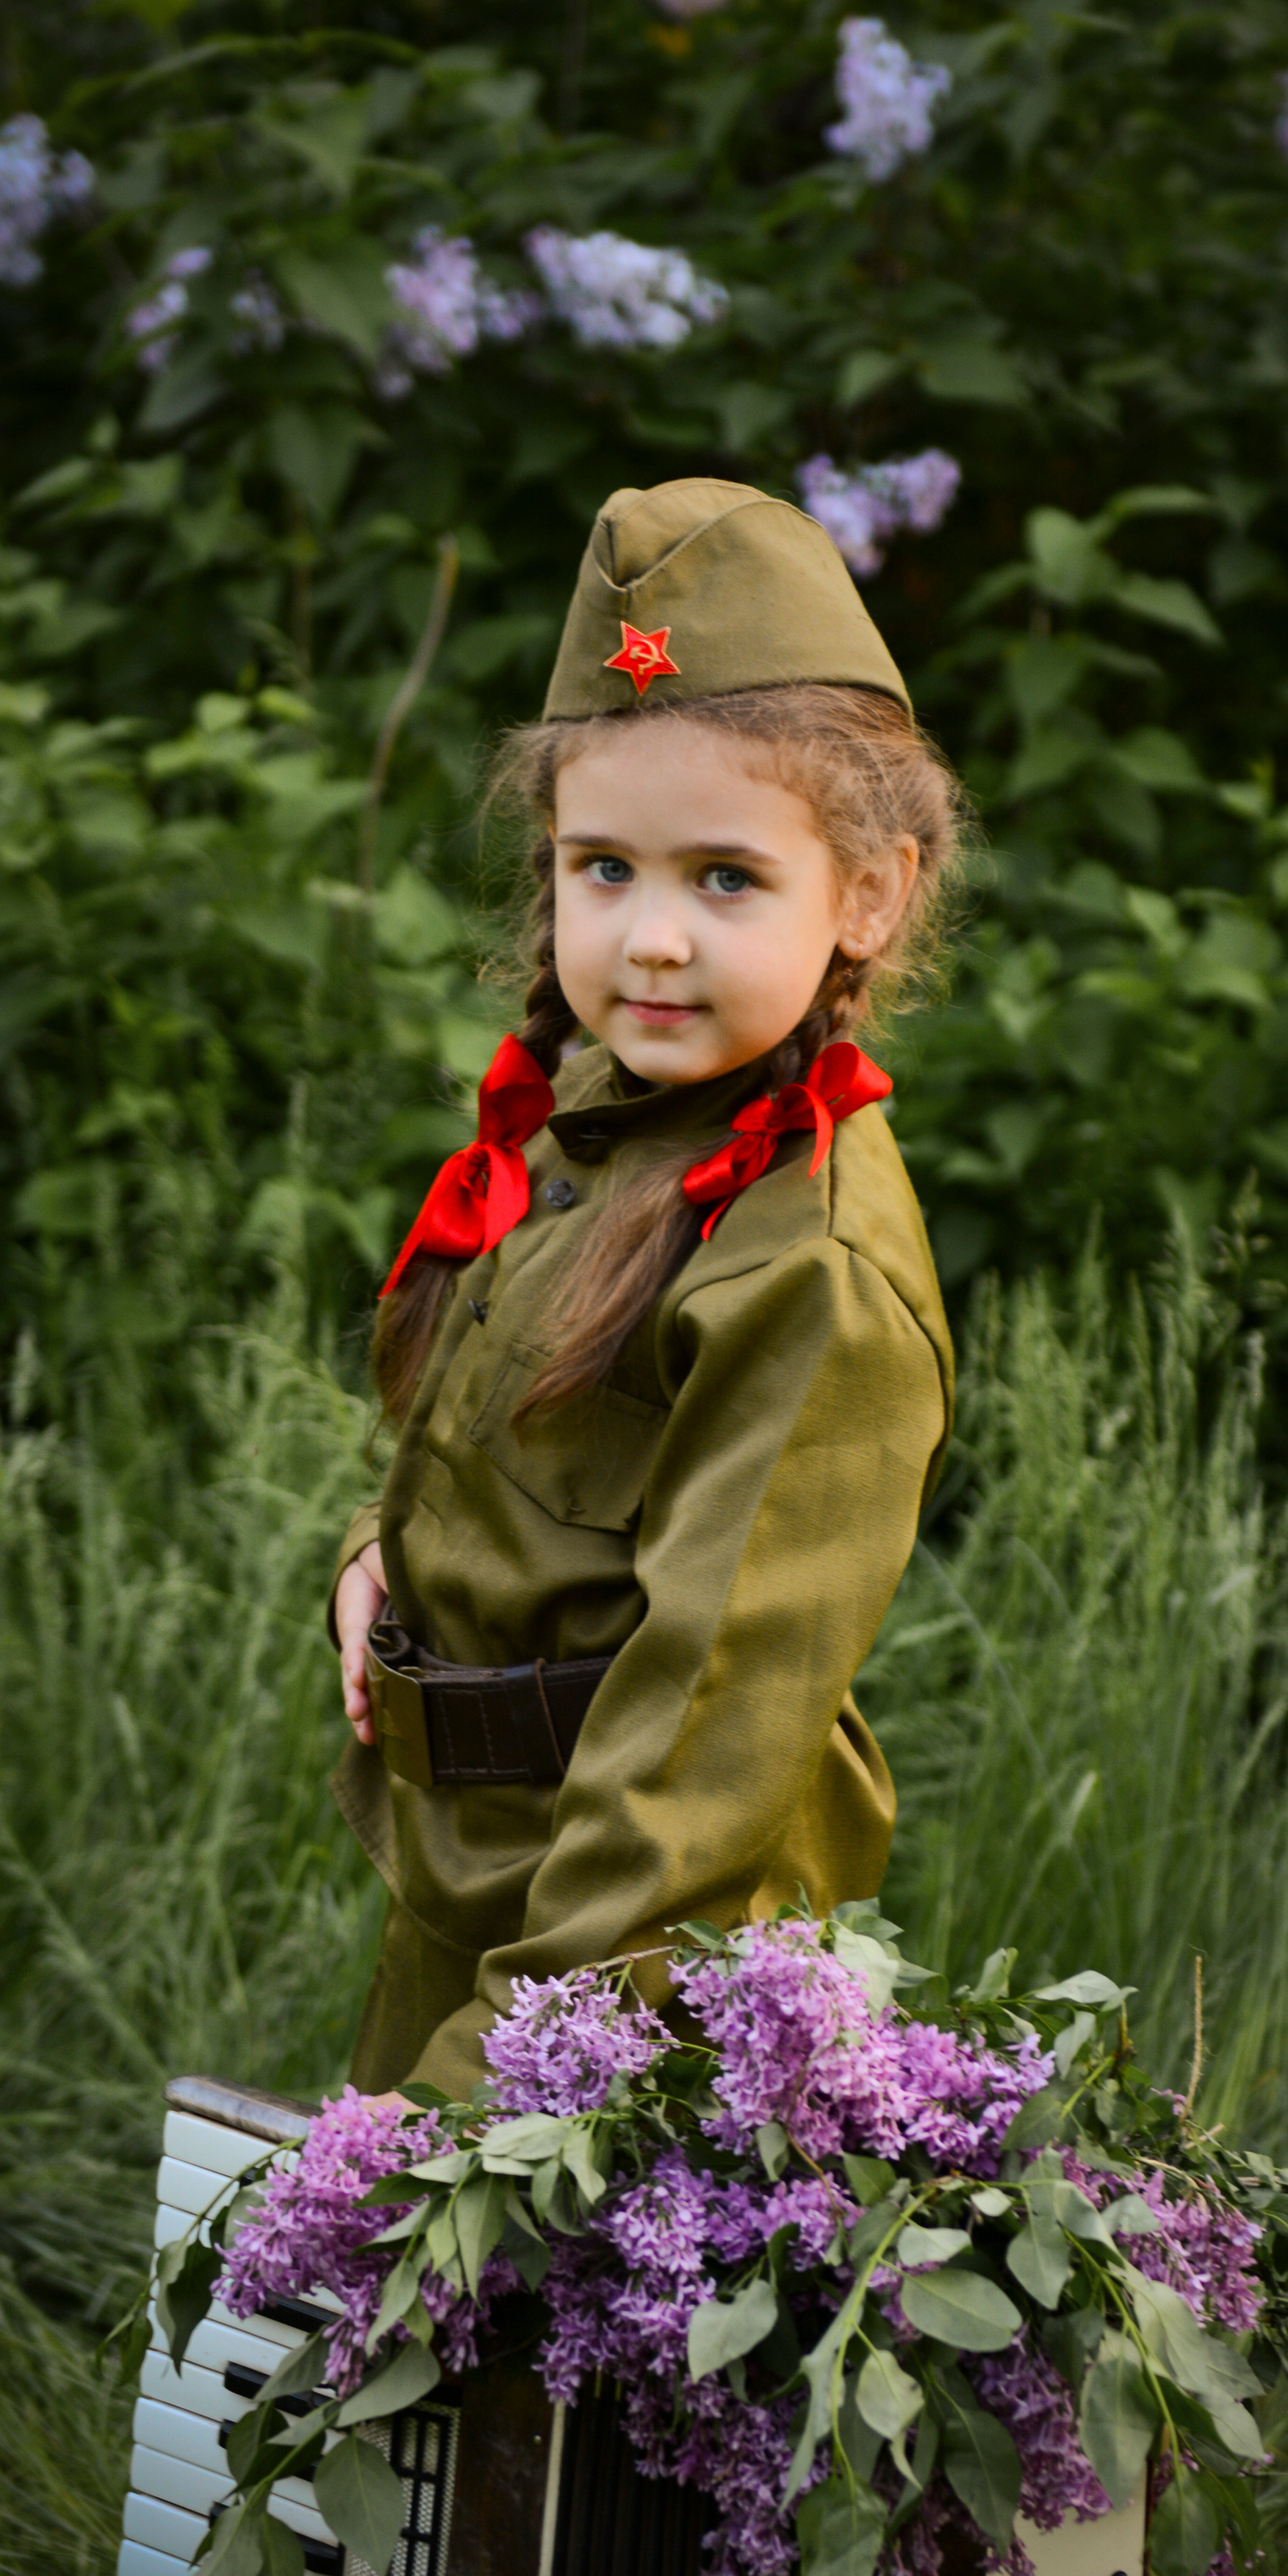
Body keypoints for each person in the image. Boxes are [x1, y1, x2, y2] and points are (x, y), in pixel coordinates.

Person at [327, 475, 960, 2100]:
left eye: (723, 878)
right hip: (482, 1870)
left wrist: (505, 2069)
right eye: (602, 868)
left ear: (870, 894)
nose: (650, 940)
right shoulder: (596, 1131)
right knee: (365, 2341)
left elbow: (705, 1728)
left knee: (536, 2346)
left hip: (640, 1962)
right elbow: (484, 1448)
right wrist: (373, 1561)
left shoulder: (800, 1264)